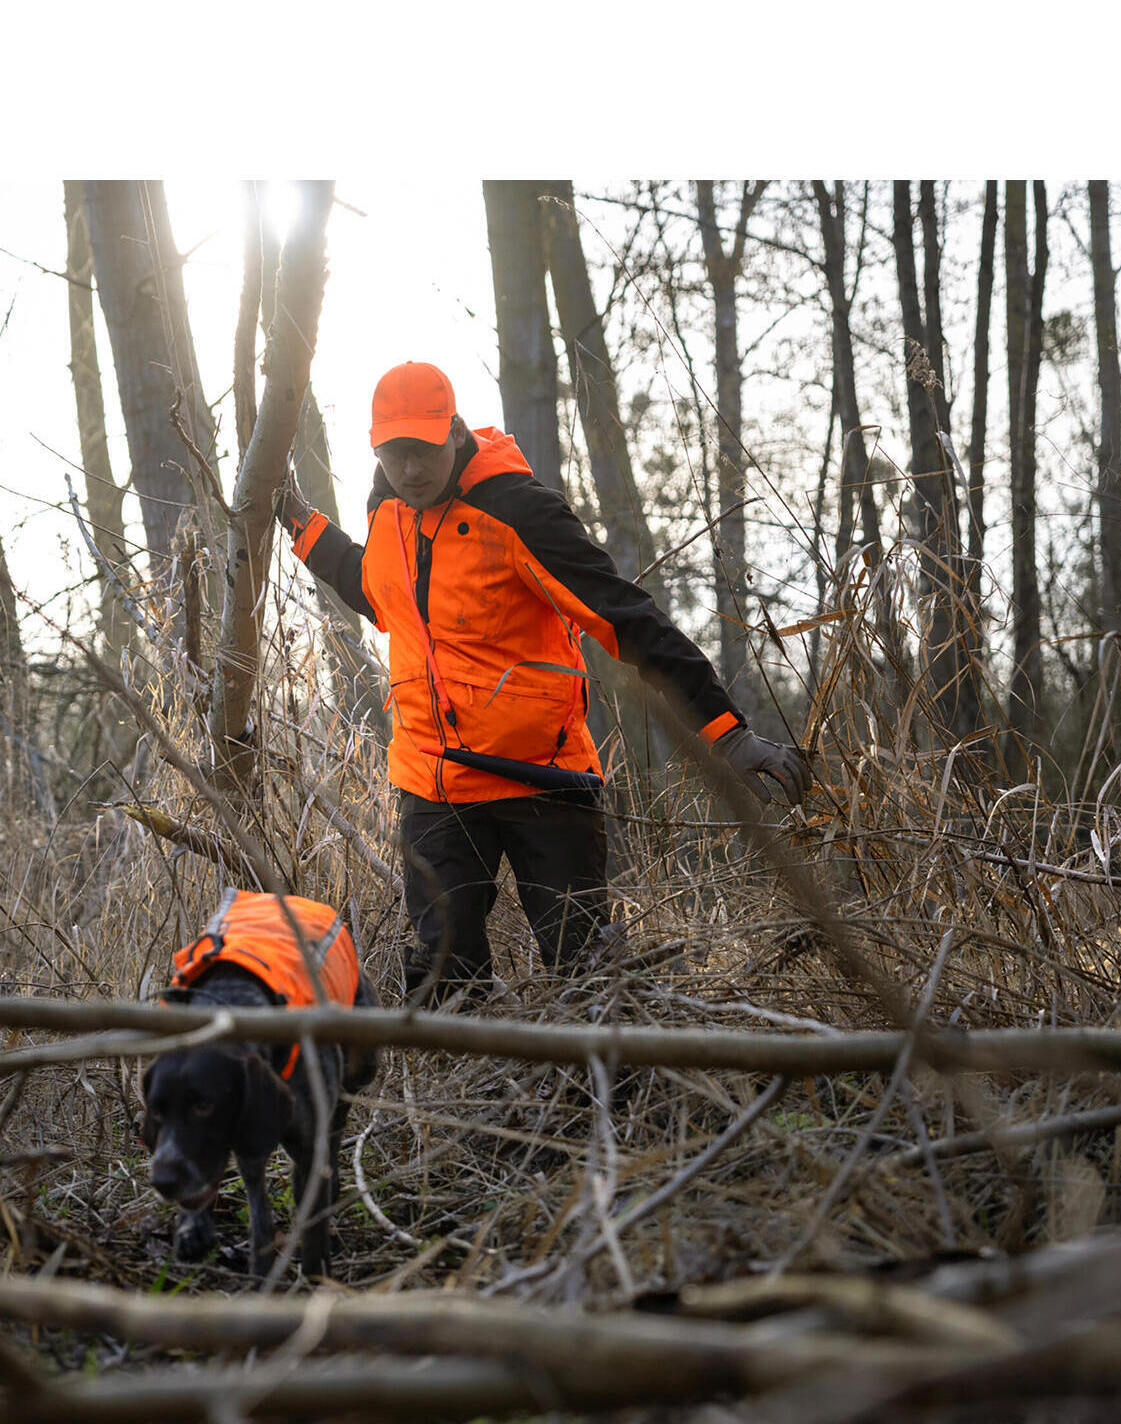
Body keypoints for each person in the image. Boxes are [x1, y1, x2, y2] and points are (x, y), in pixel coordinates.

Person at [278, 359, 812, 996]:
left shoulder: (520, 512)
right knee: (445, 982)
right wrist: (298, 522)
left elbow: (625, 618)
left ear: (453, 432)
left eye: (423, 450)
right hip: (435, 785)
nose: (411, 470)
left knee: (587, 976)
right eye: (395, 454)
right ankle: (471, 1098)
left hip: (543, 782)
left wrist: (728, 733)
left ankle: (616, 1090)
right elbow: (384, 595)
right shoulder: (388, 507)